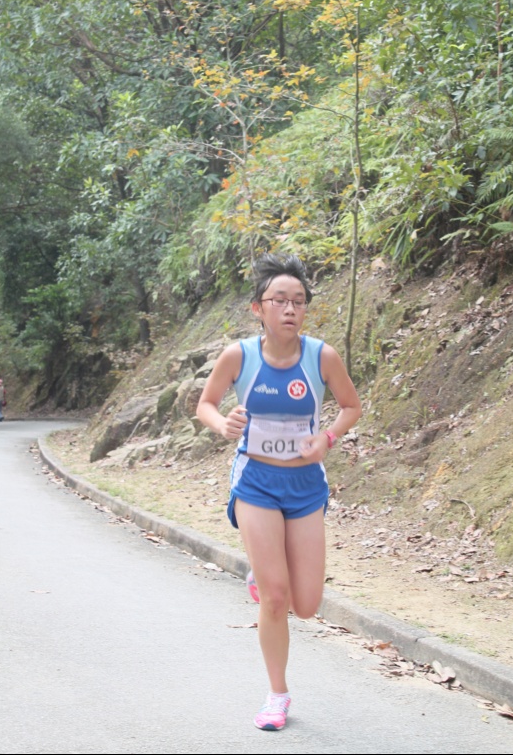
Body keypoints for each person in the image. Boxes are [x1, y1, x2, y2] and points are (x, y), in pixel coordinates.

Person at [196, 253, 362, 731]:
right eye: (280, 300)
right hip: (257, 484)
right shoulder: (240, 357)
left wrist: (327, 438)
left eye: (299, 301)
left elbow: (351, 407)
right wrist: (222, 424)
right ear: (258, 308)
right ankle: (277, 695)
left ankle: (264, 570)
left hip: (305, 486)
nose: (290, 309)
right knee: (275, 598)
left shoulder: (321, 357)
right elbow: (206, 404)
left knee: (305, 605)